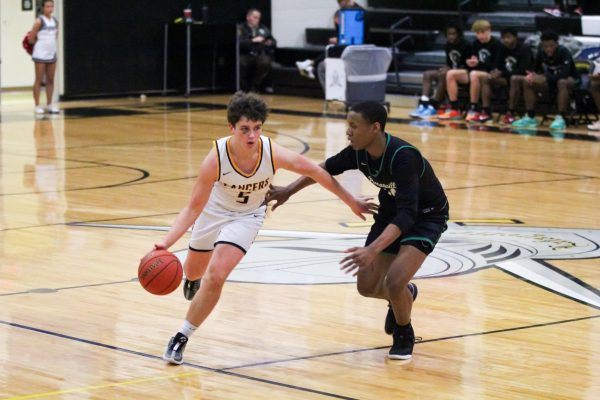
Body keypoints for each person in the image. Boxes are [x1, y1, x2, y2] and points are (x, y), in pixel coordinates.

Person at [153, 92, 372, 364]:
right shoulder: (215, 158)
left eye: (257, 128)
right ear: (231, 128)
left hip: (247, 216)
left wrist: (350, 200)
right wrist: (166, 242)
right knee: (194, 270)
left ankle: (181, 336)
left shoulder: (271, 152)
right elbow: (192, 208)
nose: (252, 136)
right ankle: (192, 278)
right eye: (245, 129)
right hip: (213, 212)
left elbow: (317, 172)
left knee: (217, 275)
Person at [267, 101, 449, 360]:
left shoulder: (403, 156)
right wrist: (287, 190)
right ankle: (405, 296)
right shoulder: (357, 152)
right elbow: (320, 171)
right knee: (366, 287)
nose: (348, 132)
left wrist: (372, 250)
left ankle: (403, 332)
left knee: (395, 280)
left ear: (375, 128)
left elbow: (408, 214)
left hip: (425, 217)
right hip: (390, 215)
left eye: (354, 126)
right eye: (347, 126)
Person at [511, 30, 579, 130]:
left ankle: (561, 117)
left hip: (571, 80)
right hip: (550, 81)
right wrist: (532, 75)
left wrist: (545, 78)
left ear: (557, 43)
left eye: (551, 46)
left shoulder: (563, 51)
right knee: (527, 81)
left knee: (562, 82)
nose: (548, 49)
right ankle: (530, 116)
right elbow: (534, 69)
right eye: (545, 46)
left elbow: (565, 73)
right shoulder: (541, 52)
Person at [439, 19, 500, 121]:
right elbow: (473, 62)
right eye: (477, 33)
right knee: (450, 74)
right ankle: (455, 108)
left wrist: (478, 64)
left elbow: (496, 66)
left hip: (490, 74)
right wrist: (469, 63)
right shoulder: (475, 44)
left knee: (474, 74)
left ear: (489, 31)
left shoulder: (497, 44)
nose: (480, 36)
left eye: (483, 32)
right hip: (475, 72)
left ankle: (474, 108)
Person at [295, 0, 365, 88]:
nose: (339, 5)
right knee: (331, 51)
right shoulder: (345, 13)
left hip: (355, 52)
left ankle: (311, 64)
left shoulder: (357, 13)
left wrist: (339, 39)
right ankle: (311, 65)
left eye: (340, 2)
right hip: (348, 48)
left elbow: (355, 36)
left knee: (330, 53)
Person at [409, 22, 470, 119]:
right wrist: (446, 67)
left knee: (445, 74)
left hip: (463, 74)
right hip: (451, 71)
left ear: (459, 34)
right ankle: (424, 103)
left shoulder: (466, 45)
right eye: (449, 34)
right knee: (428, 74)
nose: (451, 36)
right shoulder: (448, 45)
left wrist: (450, 69)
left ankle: (433, 105)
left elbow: (468, 66)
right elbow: (450, 63)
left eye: (453, 34)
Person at [481, 28, 533, 125]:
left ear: (515, 38)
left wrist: (501, 73)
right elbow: (497, 65)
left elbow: (523, 69)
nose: (505, 40)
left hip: (521, 78)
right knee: (486, 78)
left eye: (508, 37)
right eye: (503, 38)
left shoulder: (524, 48)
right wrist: (495, 72)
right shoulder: (502, 48)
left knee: (514, 79)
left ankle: (510, 113)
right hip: (507, 78)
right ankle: (486, 111)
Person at [28, 0, 59, 115]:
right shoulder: (38, 21)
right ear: (43, 8)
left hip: (51, 53)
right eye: (47, 6)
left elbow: (56, 36)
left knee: (50, 80)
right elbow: (31, 38)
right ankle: (37, 105)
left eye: (52, 6)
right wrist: (40, 44)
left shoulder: (55, 21)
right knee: (39, 80)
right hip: (40, 54)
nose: (50, 8)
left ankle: (50, 104)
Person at [238, 8, 276, 93]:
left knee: (265, 62)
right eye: (255, 17)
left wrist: (269, 43)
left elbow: (273, 41)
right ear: (248, 17)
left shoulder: (263, 28)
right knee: (241, 63)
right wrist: (252, 41)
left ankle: (255, 88)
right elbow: (238, 42)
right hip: (245, 53)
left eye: (258, 18)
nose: (257, 20)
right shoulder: (241, 28)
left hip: (259, 53)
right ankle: (243, 89)